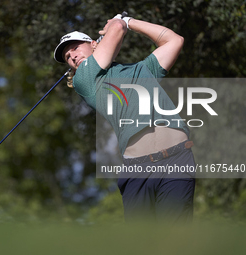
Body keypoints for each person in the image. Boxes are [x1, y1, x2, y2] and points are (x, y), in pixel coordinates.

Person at [54, 14, 196, 222]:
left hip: (178, 160)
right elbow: (118, 28)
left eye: (75, 47)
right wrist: (119, 22)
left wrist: (130, 21)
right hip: (137, 170)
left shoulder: (142, 69)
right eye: (67, 57)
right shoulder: (84, 80)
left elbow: (175, 41)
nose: (72, 56)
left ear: (94, 44)